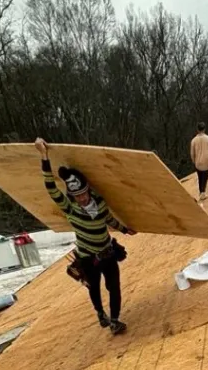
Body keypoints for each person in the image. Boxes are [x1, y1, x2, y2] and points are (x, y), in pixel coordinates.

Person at [35, 138, 134, 334]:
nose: (82, 198)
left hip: (107, 252)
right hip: (88, 257)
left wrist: (124, 229)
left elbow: (109, 219)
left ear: (87, 189)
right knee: (94, 287)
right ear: (72, 196)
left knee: (114, 287)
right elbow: (51, 189)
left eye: (83, 193)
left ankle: (114, 319)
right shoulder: (69, 208)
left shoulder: (99, 203)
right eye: (77, 196)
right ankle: (100, 313)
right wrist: (44, 156)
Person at [190, 122, 208, 200]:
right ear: (204, 129)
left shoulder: (193, 140)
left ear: (197, 129)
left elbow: (192, 153)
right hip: (207, 162)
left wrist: (194, 161)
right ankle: (203, 193)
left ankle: (201, 192)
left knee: (200, 177)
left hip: (198, 162)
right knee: (205, 177)